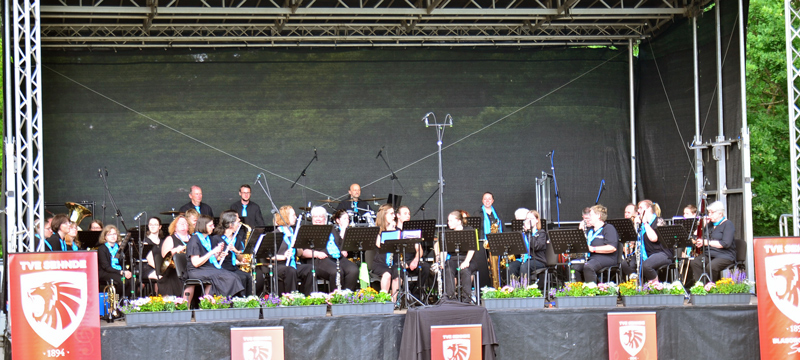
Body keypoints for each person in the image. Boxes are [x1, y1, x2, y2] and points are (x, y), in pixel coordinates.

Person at [186, 215, 244, 296]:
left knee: (234, 276)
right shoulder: (194, 240)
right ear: (203, 225)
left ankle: (214, 301)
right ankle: (213, 301)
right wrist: (212, 252)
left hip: (208, 268)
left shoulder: (209, 239)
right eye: (210, 225)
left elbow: (211, 259)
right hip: (197, 270)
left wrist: (218, 254)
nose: (213, 227)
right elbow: (196, 263)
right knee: (227, 277)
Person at [302, 207, 359, 291]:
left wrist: (343, 249)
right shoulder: (308, 230)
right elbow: (303, 252)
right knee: (337, 272)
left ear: (325, 218)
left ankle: (347, 296)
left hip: (337, 257)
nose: (318, 219)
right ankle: (335, 298)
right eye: (315, 217)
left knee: (353, 270)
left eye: (320, 217)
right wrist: (317, 254)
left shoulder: (331, 228)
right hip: (320, 259)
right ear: (312, 218)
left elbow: (339, 242)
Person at [623, 200, 670, 282]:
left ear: (648, 209)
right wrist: (635, 226)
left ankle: (655, 286)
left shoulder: (658, 221)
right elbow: (634, 240)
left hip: (661, 252)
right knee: (626, 264)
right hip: (645, 253)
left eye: (641, 208)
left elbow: (654, 238)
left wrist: (645, 222)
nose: (638, 211)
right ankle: (636, 285)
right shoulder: (640, 224)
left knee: (646, 265)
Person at [572, 204, 619, 283]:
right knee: (574, 266)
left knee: (589, 266)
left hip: (606, 257)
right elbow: (581, 245)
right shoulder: (590, 230)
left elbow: (612, 247)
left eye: (591, 215)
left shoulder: (608, 228)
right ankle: (578, 290)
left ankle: (592, 291)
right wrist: (581, 231)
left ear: (598, 216)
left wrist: (593, 249)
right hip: (591, 257)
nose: (588, 217)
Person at [690, 201, 735, 282]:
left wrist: (707, 242)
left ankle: (711, 287)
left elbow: (725, 244)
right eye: (709, 212)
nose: (709, 215)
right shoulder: (709, 225)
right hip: (709, 254)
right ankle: (701, 286)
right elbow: (693, 238)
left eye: (712, 213)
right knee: (695, 262)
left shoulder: (728, 224)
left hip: (724, 255)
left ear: (720, 214)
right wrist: (702, 225)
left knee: (711, 266)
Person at [274, 206, 314, 295]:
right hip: (279, 265)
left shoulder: (293, 232)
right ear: (285, 217)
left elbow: (299, 254)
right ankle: (291, 298)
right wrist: (284, 256)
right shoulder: (276, 234)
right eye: (293, 215)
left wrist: (298, 245)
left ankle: (307, 296)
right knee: (290, 271)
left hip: (292, 263)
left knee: (310, 269)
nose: (295, 217)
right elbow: (269, 256)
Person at [213, 211, 254, 296]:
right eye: (237, 222)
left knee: (248, 277)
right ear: (230, 225)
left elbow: (241, 258)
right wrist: (219, 255)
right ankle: (238, 301)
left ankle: (249, 300)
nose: (239, 225)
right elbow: (213, 258)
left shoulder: (237, 238)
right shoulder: (216, 239)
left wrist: (235, 251)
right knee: (241, 277)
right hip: (223, 268)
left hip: (233, 268)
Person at [443, 210, 480, 302]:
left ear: (459, 221)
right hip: (453, 259)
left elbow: (472, 248)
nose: (449, 223)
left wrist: (466, 261)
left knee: (465, 270)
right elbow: (444, 250)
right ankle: (451, 298)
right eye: (448, 221)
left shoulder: (469, 230)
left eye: (451, 220)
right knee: (448, 269)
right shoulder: (447, 233)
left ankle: (466, 299)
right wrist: (442, 261)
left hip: (467, 259)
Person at [509, 210, 549, 289]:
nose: (528, 221)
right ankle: (515, 289)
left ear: (537, 220)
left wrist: (529, 233)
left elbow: (536, 246)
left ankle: (525, 291)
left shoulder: (541, 233)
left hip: (538, 260)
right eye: (527, 219)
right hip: (524, 260)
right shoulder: (523, 234)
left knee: (525, 267)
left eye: (531, 218)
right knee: (512, 266)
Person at [396, 205, 430, 298]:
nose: (408, 216)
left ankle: (416, 295)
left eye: (409, 214)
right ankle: (402, 297)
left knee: (426, 268)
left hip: (411, 261)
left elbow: (419, 250)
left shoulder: (412, 231)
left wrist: (415, 260)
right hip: (399, 262)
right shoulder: (394, 231)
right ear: (398, 215)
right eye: (405, 213)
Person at [373, 204, 400, 301]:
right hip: (380, 263)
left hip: (394, 262)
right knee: (387, 274)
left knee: (398, 274)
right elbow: (382, 246)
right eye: (391, 214)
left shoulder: (397, 230)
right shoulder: (377, 231)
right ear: (384, 215)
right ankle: (383, 299)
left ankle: (394, 300)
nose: (394, 216)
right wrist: (389, 231)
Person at [160, 215, 192, 297]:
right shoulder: (170, 238)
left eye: (185, 223)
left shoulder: (193, 238)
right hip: (174, 271)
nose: (183, 224)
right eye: (180, 223)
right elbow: (165, 255)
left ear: (188, 226)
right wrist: (176, 249)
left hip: (190, 268)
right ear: (175, 226)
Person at [97, 225, 132, 295]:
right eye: (109, 234)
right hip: (106, 272)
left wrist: (126, 271)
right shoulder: (102, 249)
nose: (113, 236)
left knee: (133, 281)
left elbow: (122, 262)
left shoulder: (119, 248)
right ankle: (117, 301)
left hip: (118, 271)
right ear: (105, 237)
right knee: (123, 282)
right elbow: (105, 267)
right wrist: (121, 272)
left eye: (114, 234)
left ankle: (127, 302)